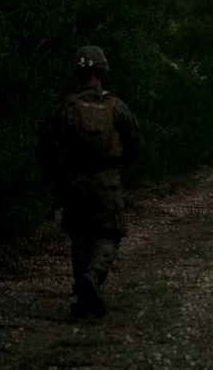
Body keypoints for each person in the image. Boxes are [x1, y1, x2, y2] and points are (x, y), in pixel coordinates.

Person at [37, 45, 143, 318]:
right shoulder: (116, 106)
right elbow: (135, 146)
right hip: (107, 179)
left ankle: (83, 297)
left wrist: (54, 181)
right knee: (108, 234)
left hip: (73, 181)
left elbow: (46, 148)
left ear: (79, 72)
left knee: (80, 237)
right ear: (102, 70)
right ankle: (94, 276)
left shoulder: (65, 107)